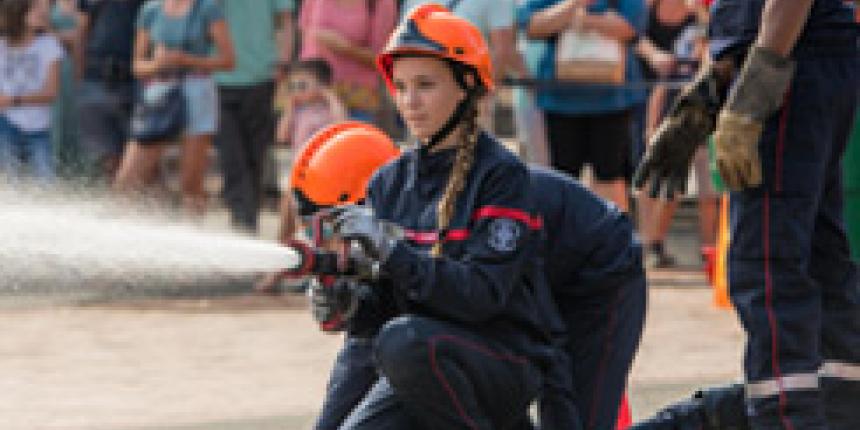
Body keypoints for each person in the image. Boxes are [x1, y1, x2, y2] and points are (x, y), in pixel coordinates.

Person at [324, 4, 559, 428]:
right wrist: (345, 304)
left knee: (403, 342)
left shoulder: (501, 176)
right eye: (400, 87)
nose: (409, 102)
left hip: (500, 360)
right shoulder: (387, 183)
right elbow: (381, 311)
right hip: (415, 360)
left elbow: (480, 297)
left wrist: (391, 250)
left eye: (425, 85)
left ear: (466, 87)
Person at [634, 0, 859, 427]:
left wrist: (754, 93)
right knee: (818, 253)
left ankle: (789, 418)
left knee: (769, 265)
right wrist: (712, 87)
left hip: (789, 64)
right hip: (804, 59)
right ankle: (842, 409)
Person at [518, 0, 647, 211]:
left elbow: (632, 27)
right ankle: (564, 241)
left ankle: (612, 240)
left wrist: (583, 20)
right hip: (560, 100)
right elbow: (531, 26)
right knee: (562, 179)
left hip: (612, 100)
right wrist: (575, 5)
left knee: (610, 176)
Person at [114, 0, 235, 214]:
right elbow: (137, 66)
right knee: (128, 179)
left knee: (191, 184)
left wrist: (185, 59)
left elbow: (228, 60)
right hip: (159, 93)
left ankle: (193, 237)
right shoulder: (151, 10)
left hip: (198, 92)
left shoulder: (207, 8)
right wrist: (158, 64)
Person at [634, 0, 716, 268]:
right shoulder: (649, 12)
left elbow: (713, 46)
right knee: (664, 186)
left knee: (708, 190)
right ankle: (652, 243)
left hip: (703, 111)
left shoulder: (701, 17)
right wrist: (652, 126)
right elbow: (660, 86)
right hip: (670, 109)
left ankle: (711, 253)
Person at [214, 0, 296, 232]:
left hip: (261, 76)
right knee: (231, 156)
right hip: (219, 78)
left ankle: (247, 220)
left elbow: (286, 22)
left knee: (254, 156)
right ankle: (241, 220)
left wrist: (283, 61)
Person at [75, 0, 147, 181]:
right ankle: (117, 205)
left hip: (133, 81)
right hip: (96, 78)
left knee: (140, 155)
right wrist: (80, 78)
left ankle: (143, 204)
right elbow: (82, 32)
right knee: (108, 159)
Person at [298, 0, 398, 122]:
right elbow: (304, 32)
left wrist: (345, 48)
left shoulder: (382, 3)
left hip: (355, 102)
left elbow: (383, 61)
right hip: (309, 99)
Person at [0, 0, 62, 181]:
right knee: (10, 183)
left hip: (39, 129)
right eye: (33, 8)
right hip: (5, 125)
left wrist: (13, 100)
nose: (42, 12)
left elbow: (51, 93)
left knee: (46, 182)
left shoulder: (49, 45)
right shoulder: (1, 46)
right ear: (18, 13)